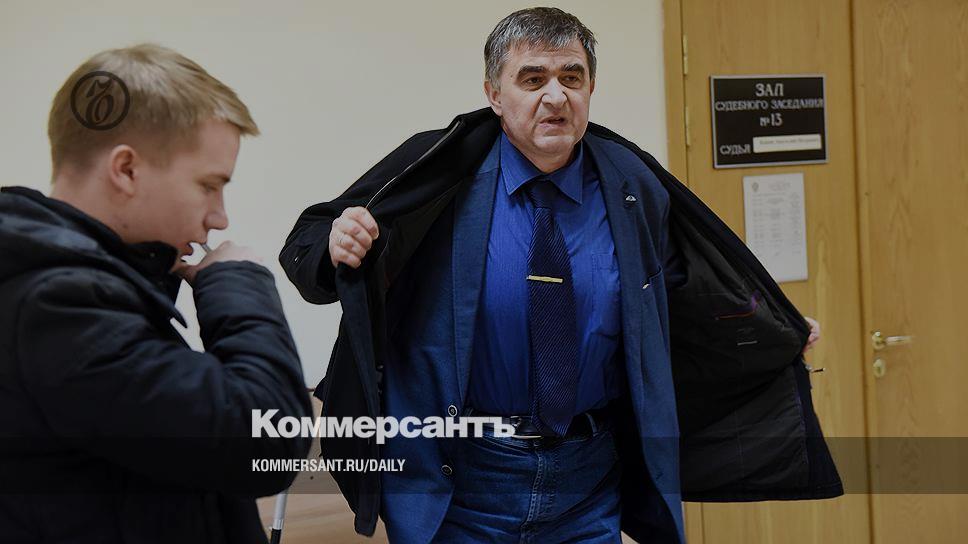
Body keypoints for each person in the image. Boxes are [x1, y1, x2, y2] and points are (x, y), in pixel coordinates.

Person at [281, 8, 835, 543]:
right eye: (533, 79)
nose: (556, 95)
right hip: (459, 482)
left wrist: (766, 329)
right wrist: (336, 244)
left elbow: (683, 290)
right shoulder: (440, 167)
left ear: (591, 88)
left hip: (588, 481)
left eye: (572, 77)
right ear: (494, 94)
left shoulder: (630, 182)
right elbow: (308, 241)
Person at [0, 44, 312, 544]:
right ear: (126, 170)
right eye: (209, 185)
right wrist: (239, 283)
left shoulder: (70, 280)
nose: (220, 217)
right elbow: (264, 440)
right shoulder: (58, 303)